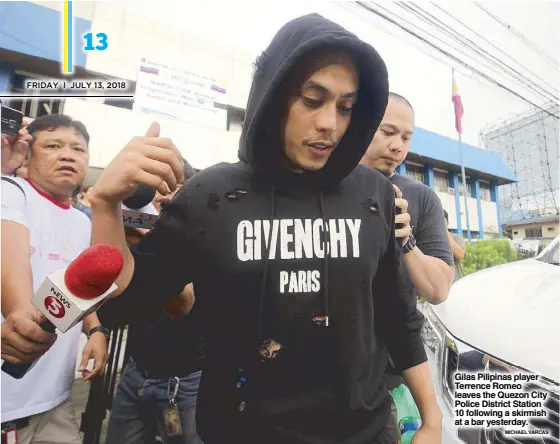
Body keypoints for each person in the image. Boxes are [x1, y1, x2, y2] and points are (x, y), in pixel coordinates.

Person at [41, 15, 441, 443]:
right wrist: (105, 204)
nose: (330, 123)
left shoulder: (375, 195)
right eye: (312, 100)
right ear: (274, 97)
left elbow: (400, 317)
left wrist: (432, 421)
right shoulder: (211, 194)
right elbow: (129, 302)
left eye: (345, 107)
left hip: (363, 431)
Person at [1, 114, 109, 444]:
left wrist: (95, 329)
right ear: (28, 153)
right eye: (53, 145)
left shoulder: (83, 222)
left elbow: (76, 284)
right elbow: (9, 257)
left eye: (78, 148)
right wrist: (21, 316)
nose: (67, 154)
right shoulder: (9, 191)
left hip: (57, 402)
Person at [100, 161, 204, 444]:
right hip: (136, 372)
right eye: (158, 188)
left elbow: (182, 306)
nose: (166, 194)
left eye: (175, 187)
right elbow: (112, 299)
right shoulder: (139, 226)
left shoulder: (205, 235)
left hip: (187, 381)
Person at [361, 92, 455, 305]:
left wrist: (406, 242)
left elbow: (438, 291)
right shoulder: (327, 185)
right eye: (387, 132)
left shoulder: (423, 197)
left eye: (405, 138)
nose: (398, 146)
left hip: (398, 334)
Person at [443, 209, 466, 281]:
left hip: (456, 282)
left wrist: (445, 233)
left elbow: (460, 255)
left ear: (447, 223)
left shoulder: (456, 238)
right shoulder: (430, 239)